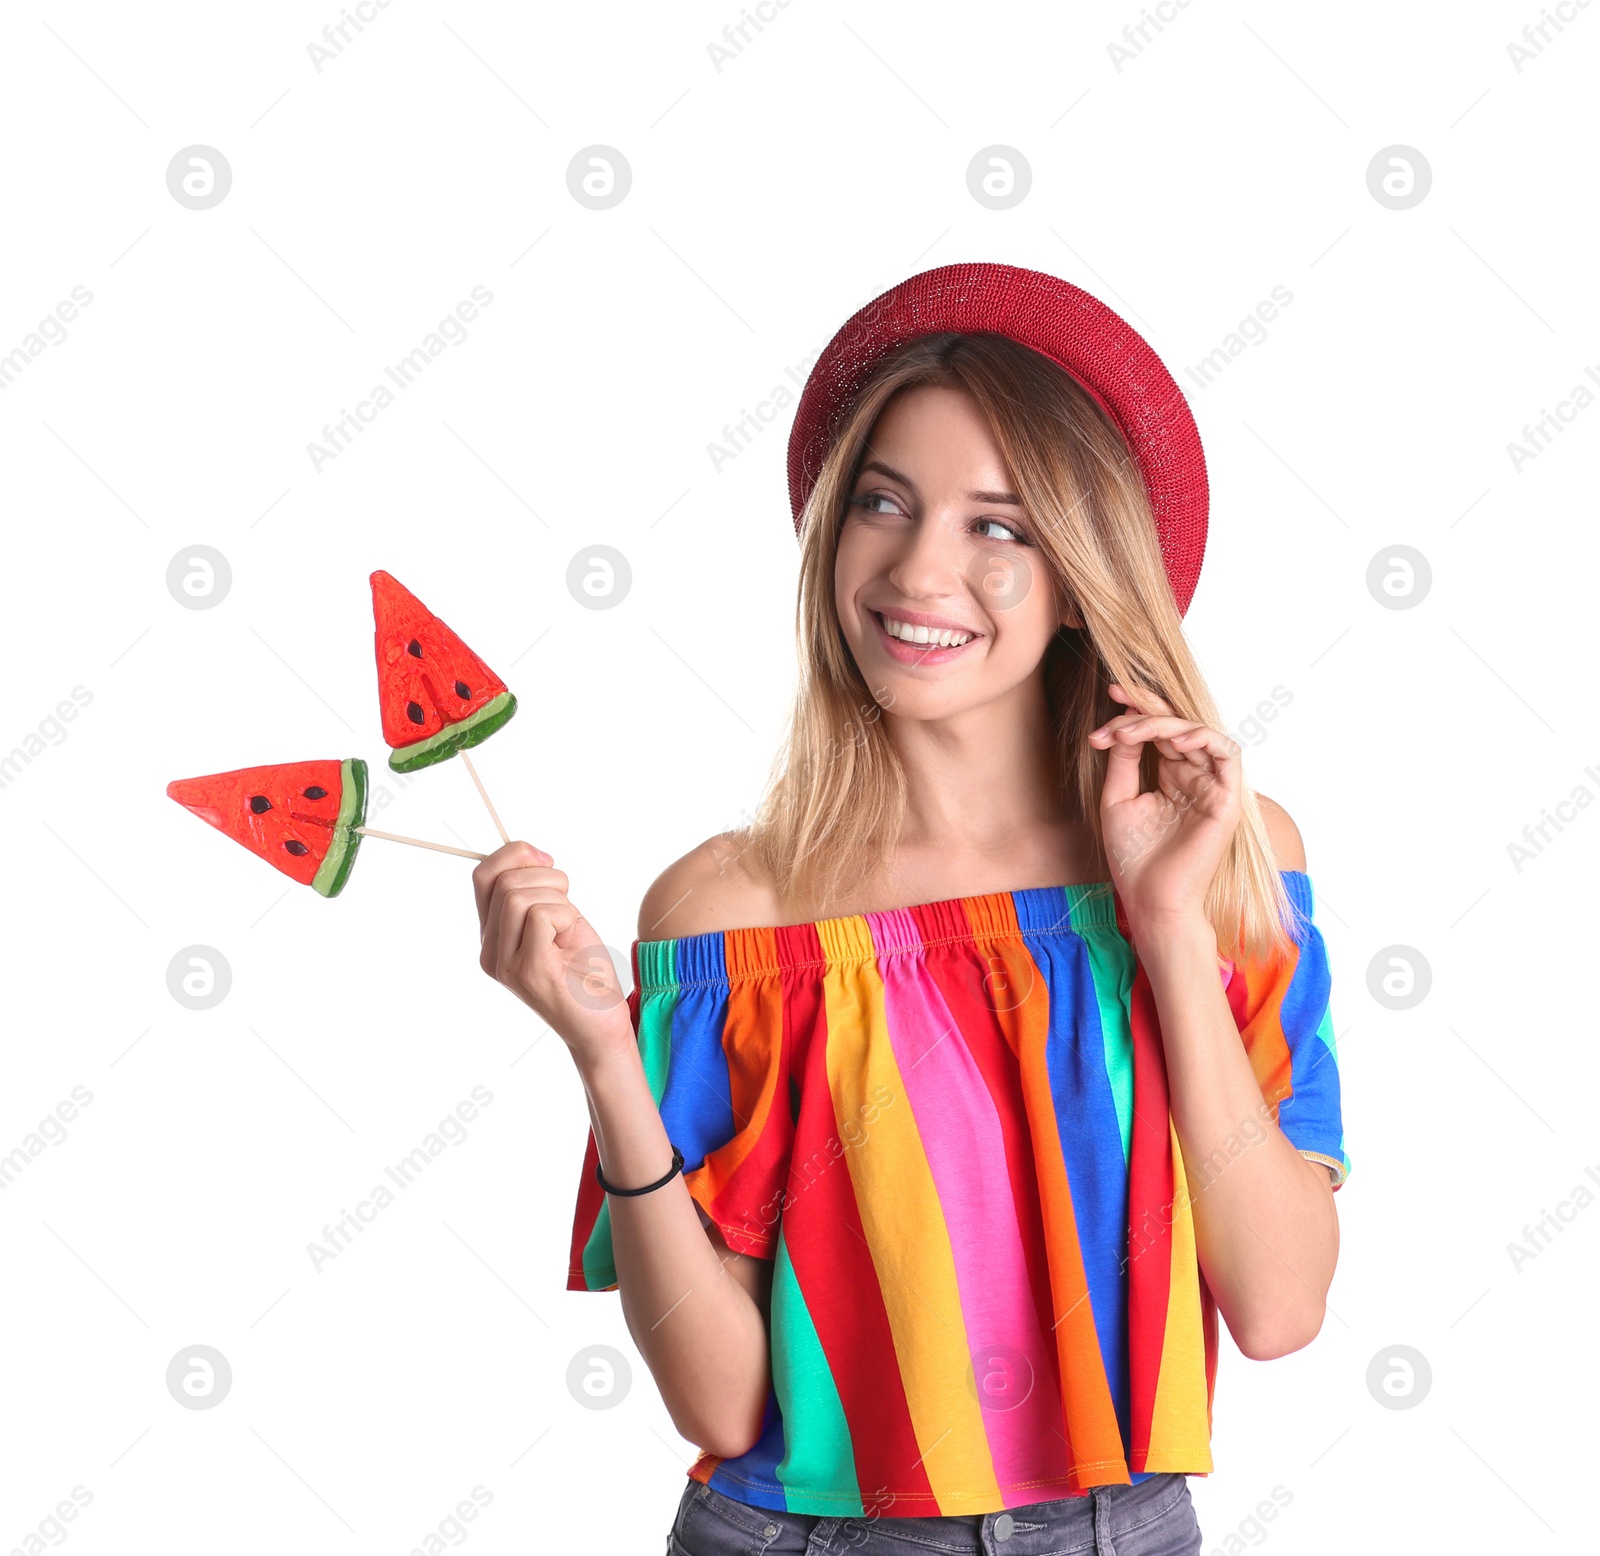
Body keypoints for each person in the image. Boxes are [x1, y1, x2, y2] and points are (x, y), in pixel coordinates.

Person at [472, 263, 1349, 1556]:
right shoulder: (730, 912)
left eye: (1000, 526)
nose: (918, 568)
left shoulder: (1226, 864)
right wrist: (606, 1060)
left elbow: (1277, 1308)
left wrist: (1162, 929)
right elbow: (719, 1400)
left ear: (1081, 576)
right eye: (884, 503)